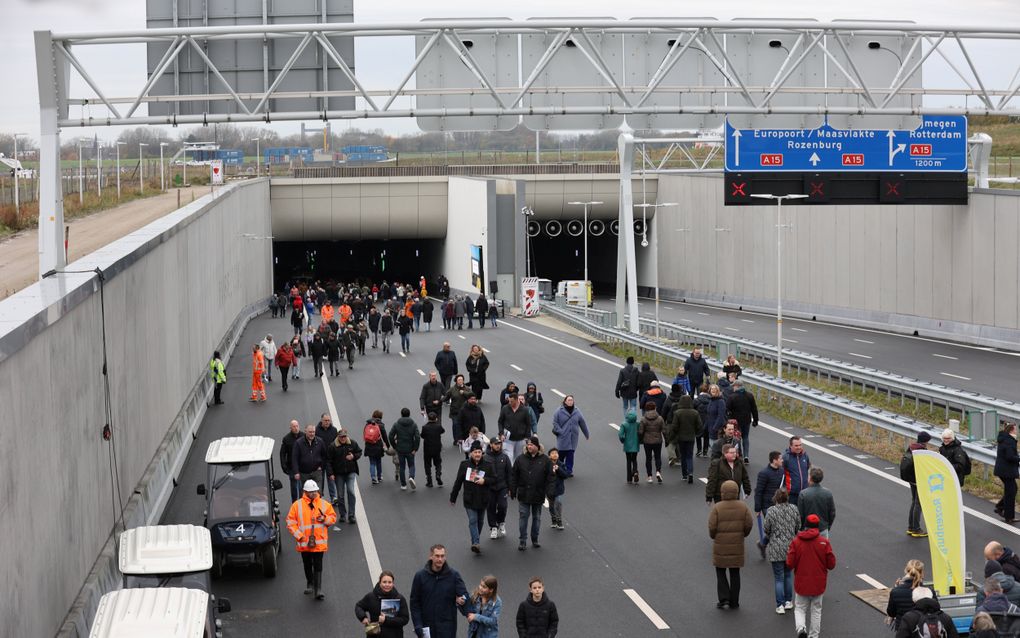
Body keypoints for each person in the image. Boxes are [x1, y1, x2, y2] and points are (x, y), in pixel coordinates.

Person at [285, 479, 337, 600]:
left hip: (319, 542)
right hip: (304, 542)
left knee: (318, 565)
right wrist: (299, 536)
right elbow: (290, 522)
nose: (313, 493)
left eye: (315, 491)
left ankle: (318, 589)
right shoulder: (297, 505)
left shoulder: (324, 504)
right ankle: (310, 583)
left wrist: (324, 518)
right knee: (307, 563)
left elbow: (332, 518)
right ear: (305, 492)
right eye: (311, 492)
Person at [786, 513, 837, 638]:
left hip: (801, 583)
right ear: (817, 527)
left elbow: (789, 563)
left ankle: (801, 628)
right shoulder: (823, 542)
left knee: (800, 608)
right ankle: (813, 636)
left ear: (806, 526)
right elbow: (831, 564)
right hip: (818, 583)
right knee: (816, 610)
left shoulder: (796, 542)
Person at [708, 480, 753, 610]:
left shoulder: (717, 507)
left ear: (722, 492)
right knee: (735, 572)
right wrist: (743, 534)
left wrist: (714, 536)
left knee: (720, 571)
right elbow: (749, 524)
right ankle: (734, 601)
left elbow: (712, 526)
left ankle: (724, 599)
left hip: (720, 545)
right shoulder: (743, 507)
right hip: (737, 544)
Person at [410, 544, 468, 638]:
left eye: (442, 556)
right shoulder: (420, 576)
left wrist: (462, 600)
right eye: (437, 556)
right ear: (431, 557)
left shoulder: (454, 575)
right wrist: (417, 625)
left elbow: (464, 595)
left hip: (447, 627)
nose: (440, 559)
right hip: (427, 627)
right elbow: (414, 603)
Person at [511, 436, 555, 551]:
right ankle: (522, 541)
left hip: (538, 494)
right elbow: (514, 475)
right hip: (524, 494)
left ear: (537, 446)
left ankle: (535, 539)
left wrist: (550, 492)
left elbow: (550, 478)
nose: (529, 447)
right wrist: (513, 489)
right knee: (523, 517)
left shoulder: (546, 460)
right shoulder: (520, 459)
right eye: (528, 445)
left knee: (537, 518)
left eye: (531, 445)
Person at [450, 441, 493, 553]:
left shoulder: (488, 465)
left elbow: (494, 479)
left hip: (483, 498)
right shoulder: (464, 465)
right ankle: (476, 542)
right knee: (473, 520)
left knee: (480, 521)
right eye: (475, 452)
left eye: (479, 452)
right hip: (470, 498)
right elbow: (458, 481)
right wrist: (453, 497)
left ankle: (475, 539)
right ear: (471, 453)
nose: (477, 454)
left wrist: (485, 480)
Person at [763, 488, 799, 615]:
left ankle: (780, 605)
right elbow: (797, 527)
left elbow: (766, 529)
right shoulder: (794, 509)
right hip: (790, 547)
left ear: (776, 498)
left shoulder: (771, 511)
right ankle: (789, 601)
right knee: (788, 575)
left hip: (776, 547)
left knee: (779, 578)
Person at [356, 570, 411, 638]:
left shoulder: (400, 599)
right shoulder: (371, 597)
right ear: (379, 583)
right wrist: (363, 617)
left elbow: (404, 619)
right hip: (375, 635)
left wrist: (386, 620)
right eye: (384, 582)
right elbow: (359, 606)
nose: (387, 585)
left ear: (393, 583)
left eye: (390, 582)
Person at [754, 451, 786, 557]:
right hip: (767, 505)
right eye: (780, 459)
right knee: (775, 528)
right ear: (774, 460)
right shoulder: (764, 473)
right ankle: (777, 553)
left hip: (780, 504)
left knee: (777, 528)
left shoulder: (782, 471)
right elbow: (759, 491)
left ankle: (762, 544)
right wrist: (757, 508)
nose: (782, 460)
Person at [900, 431, 931, 538]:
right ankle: (917, 529)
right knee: (919, 504)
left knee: (914, 502)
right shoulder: (922, 450)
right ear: (926, 440)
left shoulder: (911, 447)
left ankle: (911, 527)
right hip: (918, 479)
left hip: (911, 478)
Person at [328, 429, 362, 525]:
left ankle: (351, 515)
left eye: (344, 436)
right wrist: (331, 474)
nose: (343, 438)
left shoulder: (352, 443)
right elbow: (328, 461)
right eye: (341, 437)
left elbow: (359, 452)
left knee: (351, 491)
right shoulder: (332, 446)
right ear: (338, 437)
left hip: (350, 472)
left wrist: (354, 456)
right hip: (339, 474)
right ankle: (342, 514)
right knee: (340, 495)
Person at [666, 395, 701, 484]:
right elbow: (699, 425)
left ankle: (684, 475)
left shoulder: (678, 413)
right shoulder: (695, 413)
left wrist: (671, 436)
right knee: (689, 456)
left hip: (681, 437)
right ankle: (690, 473)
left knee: (683, 456)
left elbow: (674, 426)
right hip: (691, 437)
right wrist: (696, 432)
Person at [550, 395, 589, 474]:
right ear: (565, 401)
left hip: (573, 437)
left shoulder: (577, 411)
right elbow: (555, 422)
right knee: (561, 454)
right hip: (562, 437)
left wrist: (586, 434)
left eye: (571, 400)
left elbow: (582, 422)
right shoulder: (559, 411)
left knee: (570, 454)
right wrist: (560, 431)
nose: (570, 401)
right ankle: (559, 469)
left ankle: (568, 471)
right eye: (569, 400)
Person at [886, 559, 927, 630]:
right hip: (922, 630)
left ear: (906, 571)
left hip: (902, 629)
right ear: (922, 573)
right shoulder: (928, 592)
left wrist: (896, 588)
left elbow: (891, 613)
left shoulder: (895, 592)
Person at [485, 437, 512, 540]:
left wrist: (510, 488)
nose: (498, 445)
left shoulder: (504, 457)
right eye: (496, 444)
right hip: (489, 488)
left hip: (502, 487)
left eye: (499, 444)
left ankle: (501, 522)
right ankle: (493, 527)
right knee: (491, 507)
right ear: (491, 445)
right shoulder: (485, 458)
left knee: (502, 506)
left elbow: (510, 473)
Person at [725, 380, 758, 464]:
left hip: (735, 422)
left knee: (737, 438)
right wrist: (755, 420)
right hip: (747, 420)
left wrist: (727, 420)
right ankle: (746, 456)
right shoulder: (750, 395)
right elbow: (754, 409)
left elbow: (727, 409)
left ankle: (739, 454)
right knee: (746, 437)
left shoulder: (732, 397)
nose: (733, 387)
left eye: (734, 386)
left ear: (737, 386)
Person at [798, 467, 836, 537]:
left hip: (807, 530)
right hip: (823, 529)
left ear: (810, 478)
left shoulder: (803, 494)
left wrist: (801, 529)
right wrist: (827, 526)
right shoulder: (828, 493)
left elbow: (800, 515)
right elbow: (832, 513)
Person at [391, 408, 421, 491]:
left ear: (401, 414)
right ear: (409, 414)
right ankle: (411, 477)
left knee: (402, 467)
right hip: (410, 449)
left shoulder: (396, 424)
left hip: (400, 449)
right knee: (411, 465)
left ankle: (403, 485)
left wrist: (395, 446)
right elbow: (417, 437)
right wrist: (415, 448)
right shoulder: (413, 424)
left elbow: (390, 436)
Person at [996, 422, 1020, 523]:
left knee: (1012, 489)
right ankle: (1009, 517)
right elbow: (1010, 456)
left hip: (1003, 470)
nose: (1016, 431)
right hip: (1007, 471)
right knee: (1011, 491)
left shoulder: (1004, 439)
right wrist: (1018, 458)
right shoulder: (1009, 441)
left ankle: (1000, 507)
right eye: (1015, 429)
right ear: (1011, 430)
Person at [292, 423, 329, 490]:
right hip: (304, 473)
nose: (312, 434)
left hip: (316, 472)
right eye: (310, 432)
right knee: (305, 495)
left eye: (313, 432)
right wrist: (296, 472)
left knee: (317, 493)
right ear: (305, 431)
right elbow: (294, 458)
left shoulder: (320, 441)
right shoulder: (298, 443)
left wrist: (322, 467)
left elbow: (325, 456)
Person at [638, 401, 665, 484]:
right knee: (657, 457)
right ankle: (658, 472)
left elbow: (641, 431)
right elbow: (664, 430)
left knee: (648, 458)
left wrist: (640, 440)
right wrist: (667, 439)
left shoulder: (643, 419)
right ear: (655, 408)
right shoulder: (660, 418)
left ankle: (649, 476)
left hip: (647, 441)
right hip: (657, 440)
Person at [499, 393, 533, 461]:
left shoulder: (525, 410)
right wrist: (501, 433)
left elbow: (528, 424)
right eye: (509, 401)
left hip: (521, 439)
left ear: (517, 400)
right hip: (508, 439)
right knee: (509, 457)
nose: (510, 403)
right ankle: (510, 471)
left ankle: (516, 471)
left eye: (511, 401)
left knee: (518, 458)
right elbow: (500, 422)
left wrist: (527, 437)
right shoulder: (505, 408)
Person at [315, 414, 340, 505]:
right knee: (320, 480)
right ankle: (320, 497)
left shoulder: (334, 430)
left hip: (330, 460)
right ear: (321, 420)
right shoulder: (316, 430)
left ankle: (333, 497)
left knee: (331, 478)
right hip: (320, 460)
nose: (327, 422)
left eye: (328, 420)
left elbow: (336, 444)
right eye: (325, 420)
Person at [443, 375, 472, 446]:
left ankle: (464, 439)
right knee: (455, 425)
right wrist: (439, 401)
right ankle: (456, 439)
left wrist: (464, 393)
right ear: (456, 381)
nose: (460, 381)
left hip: (465, 411)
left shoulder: (467, 388)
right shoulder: (452, 389)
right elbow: (446, 397)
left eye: (461, 380)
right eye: (459, 380)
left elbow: (472, 395)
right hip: (455, 411)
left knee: (464, 426)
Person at [364, 410, 391, 485]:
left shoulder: (368, 424)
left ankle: (373, 477)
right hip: (378, 446)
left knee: (372, 462)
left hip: (369, 445)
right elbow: (384, 436)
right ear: (380, 417)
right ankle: (379, 476)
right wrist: (388, 445)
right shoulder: (381, 425)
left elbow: (365, 434)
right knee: (378, 461)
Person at [783, 436, 812, 506]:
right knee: (792, 516)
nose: (799, 447)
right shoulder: (786, 458)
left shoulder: (805, 456)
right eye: (796, 445)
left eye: (800, 445)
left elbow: (808, 469)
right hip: (792, 495)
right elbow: (780, 476)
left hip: (805, 493)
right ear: (790, 446)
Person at [547, 448, 571, 530]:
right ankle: (553, 519)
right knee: (551, 506)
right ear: (549, 456)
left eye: (556, 453)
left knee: (559, 503)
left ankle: (559, 520)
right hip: (550, 489)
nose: (555, 454)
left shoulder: (561, 464)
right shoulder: (547, 465)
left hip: (559, 489)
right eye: (552, 453)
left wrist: (558, 469)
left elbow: (565, 475)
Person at [421, 412, 445, 488]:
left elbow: (422, 435)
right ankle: (438, 474)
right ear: (436, 418)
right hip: (437, 448)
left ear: (428, 418)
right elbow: (443, 431)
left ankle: (429, 481)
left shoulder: (425, 427)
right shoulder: (438, 426)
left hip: (427, 448)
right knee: (438, 463)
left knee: (427, 464)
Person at [280, 420, 302, 501]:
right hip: (292, 467)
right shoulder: (286, 439)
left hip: (302, 466)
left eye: (297, 426)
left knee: (301, 487)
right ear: (290, 428)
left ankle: (302, 504)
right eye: (294, 426)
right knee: (294, 487)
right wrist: (284, 466)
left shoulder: (303, 436)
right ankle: (295, 503)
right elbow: (282, 454)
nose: (296, 428)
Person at [619, 410, 640, 484]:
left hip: (627, 445)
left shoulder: (624, 424)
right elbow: (640, 432)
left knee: (628, 460)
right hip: (635, 445)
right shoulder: (637, 424)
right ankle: (635, 471)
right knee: (634, 459)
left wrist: (623, 440)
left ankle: (629, 478)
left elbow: (621, 435)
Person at [704, 384, 727, 451]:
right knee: (712, 449)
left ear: (718, 391)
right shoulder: (711, 400)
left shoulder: (721, 401)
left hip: (717, 430)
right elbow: (708, 415)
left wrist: (715, 428)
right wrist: (705, 426)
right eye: (711, 389)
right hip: (710, 428)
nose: (713, 390)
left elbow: (721, 416)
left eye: (715, 389)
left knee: (716, 449)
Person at [693, 383, 712, 458]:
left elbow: (693, 410)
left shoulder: (696, 400)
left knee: (698, 436)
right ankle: (705, 451)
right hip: (708, 420)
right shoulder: (711, 400)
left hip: (698, 420)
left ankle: (699, 450)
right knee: (706, 436)